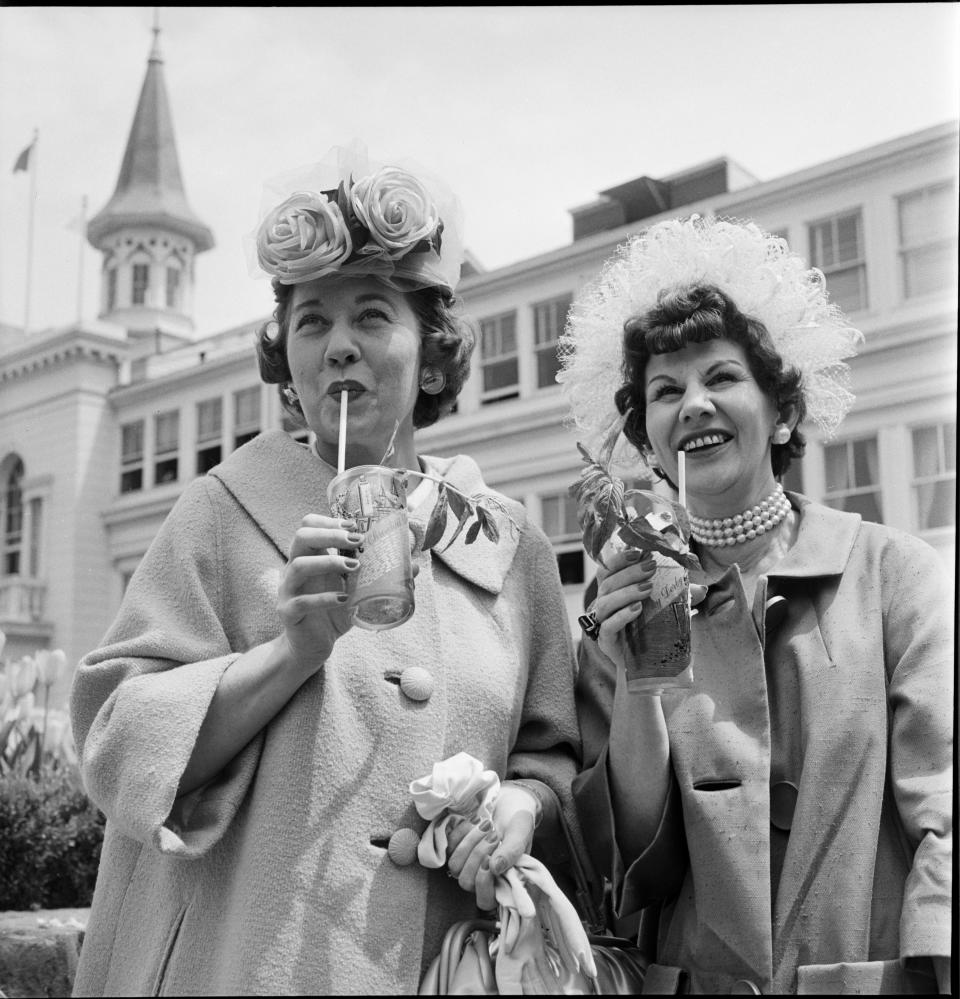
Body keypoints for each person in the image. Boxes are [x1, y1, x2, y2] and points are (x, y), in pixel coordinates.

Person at [69, 141, 581, 996]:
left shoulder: (509, 545)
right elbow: (116, 747)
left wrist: (525, 806)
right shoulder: (220, 512)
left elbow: (557, 761)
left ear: (431, 348)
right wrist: (289, 652)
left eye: (373, 315)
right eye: (312, 320)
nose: (338, 344)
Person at [558, 215, 953, 995]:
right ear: (647, 438)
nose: (693, 404)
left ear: (785, 411)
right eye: (665, 391)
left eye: (722, 378)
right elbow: (627, 867)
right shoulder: (618, 612)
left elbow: (943, 802)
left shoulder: (894, 572)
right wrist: (637, 689)